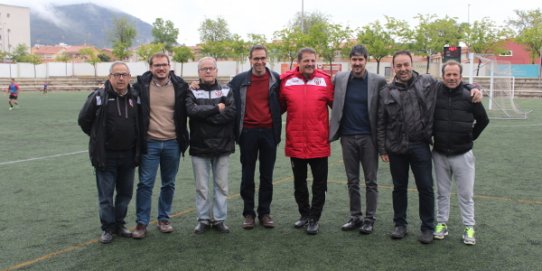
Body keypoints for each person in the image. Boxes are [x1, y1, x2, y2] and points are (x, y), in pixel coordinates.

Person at [377, 50, 481, 245]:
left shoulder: (427, 82)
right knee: (399, 188)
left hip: (420, 145)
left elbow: (453, 83)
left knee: (425, 187)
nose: (403, 69)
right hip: (396, 147)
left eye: (406, 64)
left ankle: (427, 227)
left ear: (412, 64)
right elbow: (381, 122)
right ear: (394, 68)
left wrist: (474, 86)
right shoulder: (386, 91)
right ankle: (400, 225)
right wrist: (382, 148)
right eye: (399, 65)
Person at [78, 62, 140, 244]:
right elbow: (83, 120)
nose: (121, 78)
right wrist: (97, 136)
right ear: (110, 77)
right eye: (117, 74)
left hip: (129, 155)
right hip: (106, 156)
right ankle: (107, 228)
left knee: (125, 193)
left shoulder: (135, 97)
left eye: (124, 74)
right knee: (106, 195)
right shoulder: (99, 96)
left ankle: (119, 224)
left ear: (130, 77)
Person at [329, 45, 387, 234]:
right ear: (349, 61)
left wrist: (472, 87)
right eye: (354, 60)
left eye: (360, 59)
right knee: (352, 180)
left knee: (371, 181)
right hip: (347, 137)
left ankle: (370, 219)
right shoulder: (339, 78)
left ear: (366, 61)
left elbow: (383, 109)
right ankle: (355, 217)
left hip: (368, 138)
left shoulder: (378, 81)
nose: (357, 63)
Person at [131, 53, 190, 239]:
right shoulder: (140, 86)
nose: (161, 68)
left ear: (169, 66)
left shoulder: (181, 85)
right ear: (150, 67)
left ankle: (164, 219)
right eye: (157, 65)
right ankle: (142, 223)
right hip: (150, 143)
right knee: (145, 184)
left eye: (164, 65)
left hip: (173, 142)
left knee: (169, 183)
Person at [432, 60, 489, 245]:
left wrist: (470, 137)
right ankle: (441, 224)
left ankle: (469, 227)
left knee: (465, 194)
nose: (451, 78)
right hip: (440, 153)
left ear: (461, 77)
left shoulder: (470, 95)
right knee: (442, 192)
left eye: (455, 74)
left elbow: (483, 120)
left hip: (463, 154)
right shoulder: (435, 94)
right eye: (448, 74)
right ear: (443, 76)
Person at [280, 47, 333, 235]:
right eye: (306, 61)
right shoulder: (286, 82)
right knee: (299, 183)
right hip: (296, 143)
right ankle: (304, 214)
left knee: (319, 184)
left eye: (313, 61)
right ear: (299, 62)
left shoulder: (325, 80)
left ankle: (314, 218)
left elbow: (338, 106)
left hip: (318, 143)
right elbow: (276, 107)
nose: (310, 64)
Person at [229, 45, 281, 230]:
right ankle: (248, 214)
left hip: (269, 132)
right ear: (250, 60)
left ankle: (265, 213)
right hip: (248, 133)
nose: (259, 62)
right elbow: (224, 96)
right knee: (247, 175)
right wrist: (195, 85)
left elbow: (281, 103)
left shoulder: (276, 79)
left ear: (267, 59)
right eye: (256, 58)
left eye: (262, 58)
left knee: (267, 175)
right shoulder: (239, 80)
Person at [186, 57, 236, 234]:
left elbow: (231, 112)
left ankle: (219, 219)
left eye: (211, 68)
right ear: (198, 72)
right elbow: (191, 111)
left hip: (222, 144)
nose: (208, 71)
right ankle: (203, 219)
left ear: (216, 71)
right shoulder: (192, 90)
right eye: (204, 69)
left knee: (221, 186)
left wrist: (206, 118)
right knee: (202, 186)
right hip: (200, 145)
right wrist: (216, 109)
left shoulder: (226, 89)